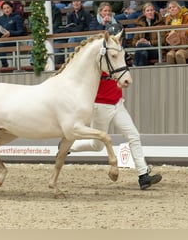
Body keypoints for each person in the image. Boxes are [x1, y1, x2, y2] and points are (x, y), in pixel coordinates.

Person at [67, 23, 162, 190]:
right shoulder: (100, 57)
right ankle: (68, 148)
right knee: (97, 146)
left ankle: (143, 175)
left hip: (117, 103)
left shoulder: (117, 54)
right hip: (101, 106)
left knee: (133, 135)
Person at [131, 2, 165, 66]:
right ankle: (140, 72)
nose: (150, 12)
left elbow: (163, 41)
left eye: (151, 10)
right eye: (148, 10)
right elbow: (133, 41)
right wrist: (137, 42)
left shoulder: (160, 23)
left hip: (156, 51)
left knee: (142, 46)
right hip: (142, 50)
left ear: (154, 11)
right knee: (143, 53)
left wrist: (149, 43)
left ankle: (134, 65)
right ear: (144, 13)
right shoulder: (140, 25)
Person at [0, 1, 25, 67]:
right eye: (4, 8)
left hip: (14, 40)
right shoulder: (0, 19)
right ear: (2, 10)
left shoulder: (17, 17)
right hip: (3, 39)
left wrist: (10, 33)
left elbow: (21, 31)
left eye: (8, 8)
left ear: (11, 8)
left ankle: (4, 65)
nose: (6, 10)